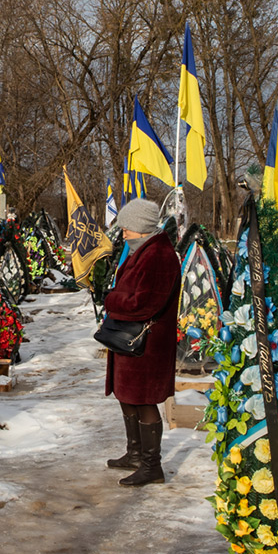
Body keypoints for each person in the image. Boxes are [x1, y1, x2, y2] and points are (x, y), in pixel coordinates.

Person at [102, 197, 180, 486]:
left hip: (147, 343)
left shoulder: (159, 255)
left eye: (127, 229)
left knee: (144, 400)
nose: (123, 234)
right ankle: (135, 453)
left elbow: (144, 303)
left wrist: (110, 298)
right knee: (128, 396)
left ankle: (152, 466)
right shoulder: (144, 251)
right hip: (132, 340)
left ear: (142, 228)